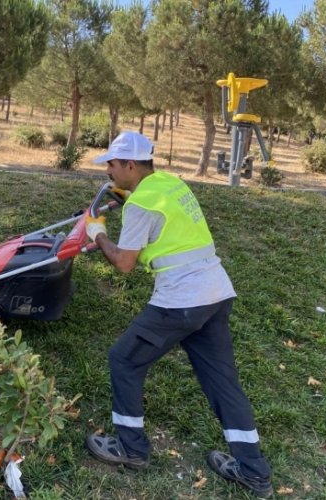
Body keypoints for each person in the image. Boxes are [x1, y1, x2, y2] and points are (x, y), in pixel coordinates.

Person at [83, 131, 273, 498]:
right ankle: (253, 471)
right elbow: (162, 216)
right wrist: (128, 199)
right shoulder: (170, 184)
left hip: (181, 301)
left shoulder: (142, 205)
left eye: (113, 164)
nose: (108, 170)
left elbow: (124, 263)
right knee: (223, 383)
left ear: (131, 165)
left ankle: (131, 449)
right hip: (216, 293)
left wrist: (98, 234)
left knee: (123, 360)